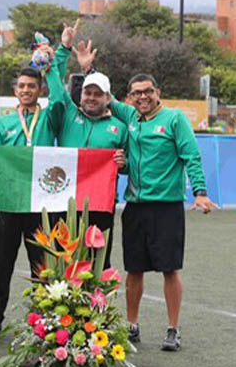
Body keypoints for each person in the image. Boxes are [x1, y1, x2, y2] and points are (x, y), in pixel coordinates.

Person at [107, 73, 215, 351]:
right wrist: (86, 67)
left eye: (147, 91)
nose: (142, 96)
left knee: (170, 269)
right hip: (134, 208)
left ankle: (173, 329)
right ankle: (132, 326)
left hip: (167, 208)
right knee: (134, 269)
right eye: (136, 93)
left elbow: (191, 155)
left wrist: (200, 192)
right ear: (130, 97)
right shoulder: (130, 117)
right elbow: (103, 94)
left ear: (158, 92)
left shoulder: (174, 119)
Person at [0, 66, 59, 339]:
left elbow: (60, 98)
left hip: (41, 206)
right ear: (15, 91)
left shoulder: (48, 118)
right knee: (3, 265)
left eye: (32, 86)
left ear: (40, 90)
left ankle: (43, 322)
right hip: (10, 204)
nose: (26, 90)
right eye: (22, 86)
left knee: (41, 267)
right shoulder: (2, 122)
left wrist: (54, 65)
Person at [44, 22, 128, 269]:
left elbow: (128, 166)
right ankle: (63, 306)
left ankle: (96, 307)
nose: (91, 98)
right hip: (65, 200)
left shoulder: (120, 127)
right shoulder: (69, 115)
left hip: (101, 203)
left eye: (97, 94)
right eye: (87, 93)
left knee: (98, 260)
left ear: (108, 98)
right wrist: (64, 47)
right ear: (80, 96)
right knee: (63, 258)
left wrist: (124, 164)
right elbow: (57, 88)